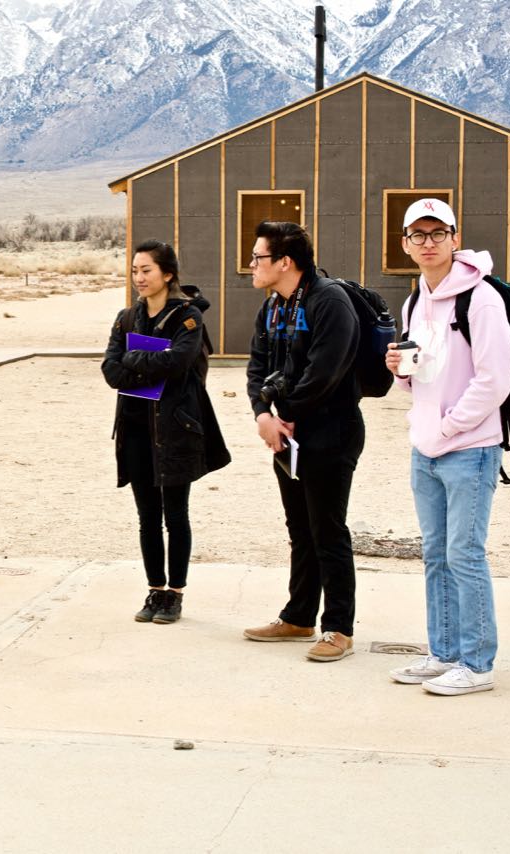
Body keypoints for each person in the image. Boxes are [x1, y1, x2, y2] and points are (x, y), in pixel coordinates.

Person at [384, 198, 510, 695]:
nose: (429, 243)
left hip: (471, 448)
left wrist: (451, 426)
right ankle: (444, 654)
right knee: (436, 554)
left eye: (438, 233)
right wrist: (401, 372)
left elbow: (495, 379)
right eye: (418, 234)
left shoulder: (481, 299)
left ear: (455, 238)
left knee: (464, 554)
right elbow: (422, 378)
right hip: (427, 448)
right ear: (405, 244)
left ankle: (477, 665)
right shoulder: (414, 301)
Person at [243, 221, 364, 662]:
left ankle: (339, 628)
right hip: (287, 435)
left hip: (331, 430)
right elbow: (257, 366)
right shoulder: (272, 307)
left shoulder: (329, 301)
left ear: (285, 262)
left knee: (328, 529)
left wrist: (286, 415)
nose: (251, 265)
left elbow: (324, 371)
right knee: (300, 529)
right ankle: (298, 616)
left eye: (258, 257)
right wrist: (263, 415)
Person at [102, 240, 230, 624]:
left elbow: (179, 362)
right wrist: (148, 362)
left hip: (175, 429)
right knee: (147, 517)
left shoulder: (187, 317)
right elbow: (111, 370)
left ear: (168, 274)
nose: (139, 278)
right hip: (136, 430)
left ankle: (175, 593)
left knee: (175, 515)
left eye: (147, 270)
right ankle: (155, 589)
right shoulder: (127, 318)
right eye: (135, 271)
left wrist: (134, 358)